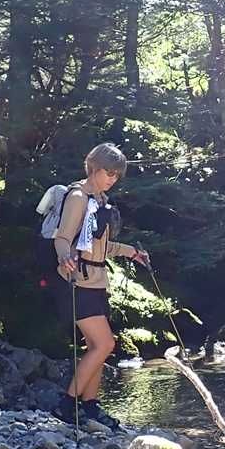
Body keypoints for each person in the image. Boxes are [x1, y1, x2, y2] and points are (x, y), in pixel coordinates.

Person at [51, 143, 149, 426]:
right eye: (109, 172)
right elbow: (62, 237)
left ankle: (91, 405)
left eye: (117, 174)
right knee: (106, 343)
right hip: (77, 282)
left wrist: (132, 252)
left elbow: (100, 248)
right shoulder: (79, 197)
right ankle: (67, 404)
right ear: (93, 167)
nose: (113, 178)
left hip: (96, 282)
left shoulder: (100, 199)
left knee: (97, 345)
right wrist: (64, 257)